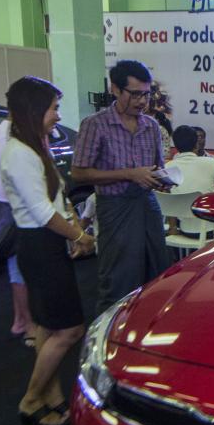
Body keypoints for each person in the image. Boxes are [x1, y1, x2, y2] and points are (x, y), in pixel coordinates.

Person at [0, 76, 95, 425]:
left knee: (47, 327)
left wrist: (70, 228)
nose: (58, 115)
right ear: (34, 110)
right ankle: (30, 400)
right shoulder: (20, 154)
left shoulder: (32, 146)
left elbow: (54, 199)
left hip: (44, 244)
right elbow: (41, 211)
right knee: (70, 330)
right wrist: (80, 236)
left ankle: (50, 396)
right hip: (39, 245)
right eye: (54, 108)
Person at [71, 59, 170, 314]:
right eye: (135, 94)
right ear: (115, 89)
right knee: (118, 279)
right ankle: (109, 340)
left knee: (157, 273)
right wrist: (129, 174)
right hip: (114, 208)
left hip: (147, 205)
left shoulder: (151, 127)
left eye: (146, 95)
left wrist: (162, 179)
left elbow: (157, 167)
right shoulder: (95, 125)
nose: (141, 101)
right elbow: (79, 173)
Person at [0, 116, 37, 347]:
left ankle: (21, 320)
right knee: (20, 267)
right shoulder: (9, 131)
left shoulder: (4, 129)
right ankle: (28, 324)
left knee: (16, 266)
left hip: (10, 203)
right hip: (12, 206)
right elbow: (16, 174)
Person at [165, 125, 214, 195]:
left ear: (176, 146)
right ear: (197, 145)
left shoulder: (167, 167)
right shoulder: (211, 162)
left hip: (175, 205)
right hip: (203, 205)